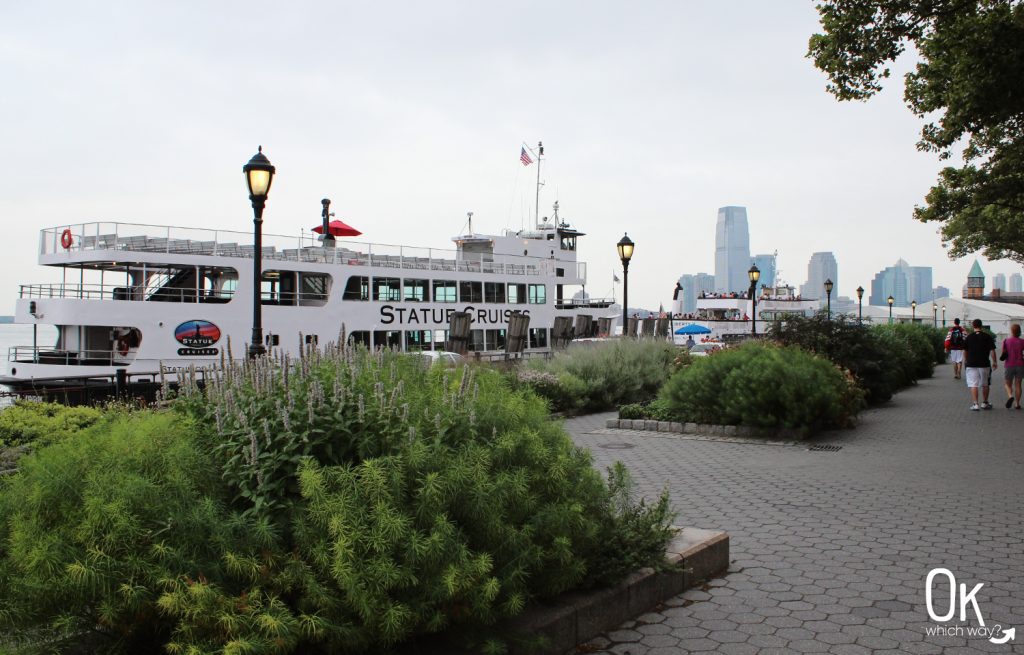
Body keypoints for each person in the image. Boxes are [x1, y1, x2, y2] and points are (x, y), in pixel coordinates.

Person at [963, 319, 997, 411]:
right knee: (985, 384)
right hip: (984, 363)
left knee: (974, 384)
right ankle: (985, 403)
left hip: (971, 364)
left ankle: (975, 404)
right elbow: (992, 351)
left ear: (973, 326)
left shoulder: (969, 337)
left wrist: (966, 361)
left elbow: (965, 351)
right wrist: (994, 362)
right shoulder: (987, 337)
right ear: (981, 326)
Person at [1000, 323, 1024, 409]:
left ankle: (1010, 396)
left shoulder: (1006, 341)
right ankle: (1017, 404)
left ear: (1011, 331)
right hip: (1020, 365)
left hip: (1009, 364)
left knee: (1007, 384)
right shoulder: (1022, 341)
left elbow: (1003, 353)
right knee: (1018, 385)